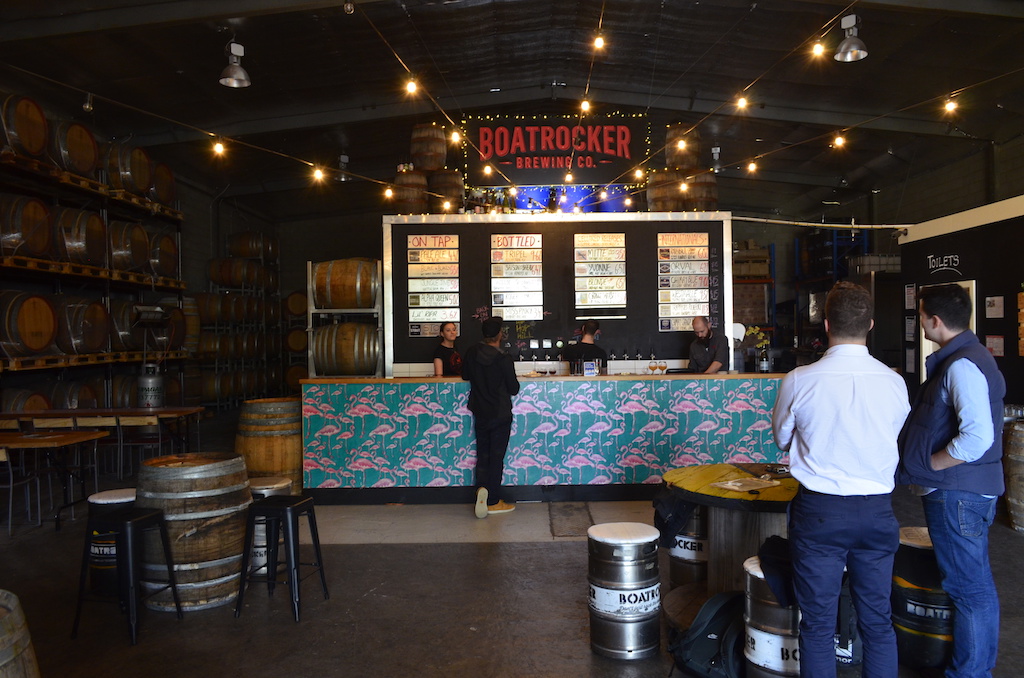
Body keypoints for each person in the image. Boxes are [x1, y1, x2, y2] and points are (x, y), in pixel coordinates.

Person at [772, 281, 910, 678]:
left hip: (820, 513)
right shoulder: (894, 383)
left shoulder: (800, 379)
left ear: (826, 323)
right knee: (878, 622)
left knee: (817, 626)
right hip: (877, 512)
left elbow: (782, 439)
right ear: (869, 324)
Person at [898, 283, 1005, 678]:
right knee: (974, 587)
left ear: (935, 321)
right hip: (966, 491)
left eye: (921, 315)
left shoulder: (961, 365)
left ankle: (971, 673)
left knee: (968, 590)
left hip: (957, 493)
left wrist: (930, 465)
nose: (919, 321)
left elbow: (977, 438)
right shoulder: (967, 357)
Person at [462, 316, 520, 519]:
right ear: (499, 335)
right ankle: (494, 500)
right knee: (496, 457)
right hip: (500, 412)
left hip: (480, 411)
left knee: (483, 455)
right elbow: (514, 388)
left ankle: (481, 492)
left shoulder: (471, 352)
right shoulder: (503, 358)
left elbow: (465, 375)